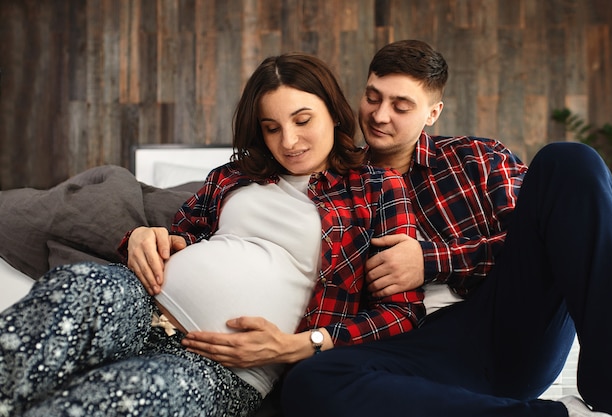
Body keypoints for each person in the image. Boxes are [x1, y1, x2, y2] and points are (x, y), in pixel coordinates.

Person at [0, 53, 424, 417]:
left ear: (333, 111)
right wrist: (145, 237)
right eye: (271, 128)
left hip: (226, 367)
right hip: (144, 305)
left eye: (302, 120)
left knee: (136, 395)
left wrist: (298, 346)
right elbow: (180, 235)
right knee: (80, 287)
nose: (289, 141)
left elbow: (403, 313)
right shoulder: (235, 176)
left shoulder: (376, 187)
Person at [281, 40, 612, 417]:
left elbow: (541, 242)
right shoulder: (336, 182)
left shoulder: (478, 158)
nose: (379, 116)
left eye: (401, 106)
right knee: (309, 381)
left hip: (506, 327)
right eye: (372, 97)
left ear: (432, 113)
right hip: (412, 351)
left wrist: (429, 260)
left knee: (570, 160)